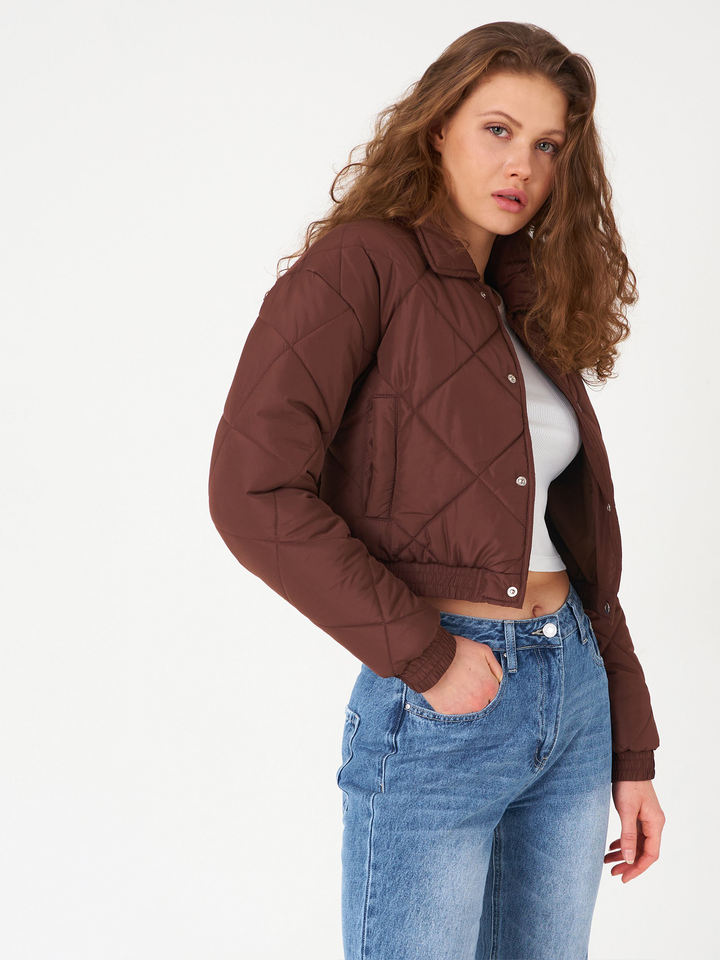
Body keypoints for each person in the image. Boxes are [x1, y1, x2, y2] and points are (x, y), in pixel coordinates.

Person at [208, 20, 665, 960]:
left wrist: (631, 748)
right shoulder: (361, 266)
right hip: (443, 702)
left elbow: (577, 546)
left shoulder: (527, 299)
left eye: (548, 145)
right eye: (498, 130)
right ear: (437, 127)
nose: (523, 165)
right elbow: (253, 492)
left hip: (572, 694)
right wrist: (424, 656)